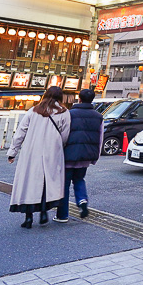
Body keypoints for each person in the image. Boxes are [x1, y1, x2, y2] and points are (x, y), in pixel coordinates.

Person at [6, 86, 70, 228]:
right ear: (61, 97)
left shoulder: (33, 110)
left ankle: (28, 218)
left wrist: (12, 152)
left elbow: (20, 132)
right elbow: (65, 135)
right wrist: (60, 146)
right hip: (53, 151)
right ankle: (43, 213)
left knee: (29, 182)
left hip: (31, 151)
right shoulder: (64, 112)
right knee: (48, 182)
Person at [55, 88, 104, 223]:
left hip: (68, 156)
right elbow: (100, 138)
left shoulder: (69, 114)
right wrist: (95, 157)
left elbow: (63, 134)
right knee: (79, 180)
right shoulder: (99, 116)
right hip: (86, 157)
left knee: (64, 185)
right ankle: (82, 201)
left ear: (79, 98)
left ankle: (62, 215)